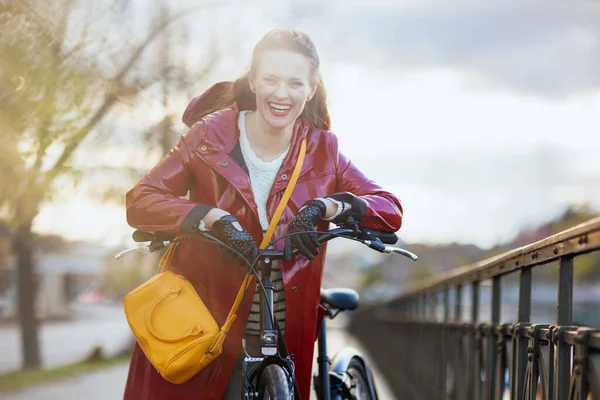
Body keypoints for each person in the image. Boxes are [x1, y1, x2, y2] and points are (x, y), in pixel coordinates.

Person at [123, 29, 403, 400]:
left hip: (285, 317)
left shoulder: (323, 151)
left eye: (294, 83)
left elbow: (389, 207)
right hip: (206, 320)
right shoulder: (208, 137)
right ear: (253, 81)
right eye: (270, 79)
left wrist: (328, 205)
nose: (281, 94)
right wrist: (211, 217)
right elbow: (142, 199)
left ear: (311, 88)